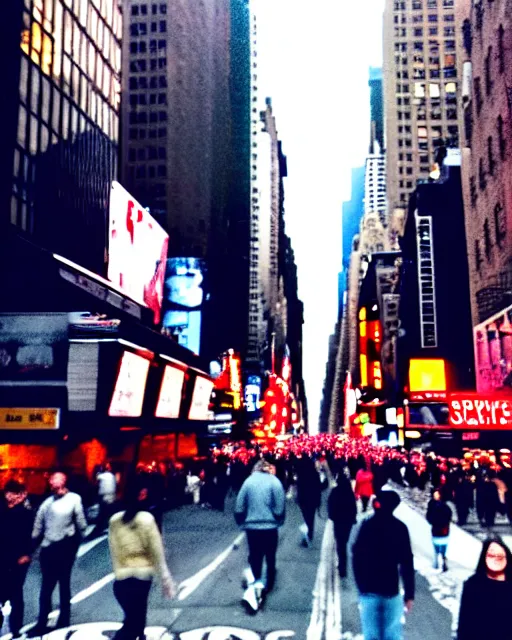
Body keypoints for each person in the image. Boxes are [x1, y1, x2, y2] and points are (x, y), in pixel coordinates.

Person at [109, 483, 177, 640]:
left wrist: (118, 572)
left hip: (121, 580)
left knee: (133, 618)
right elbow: (156, 552)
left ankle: (140, 635)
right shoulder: (146, 519)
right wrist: (166, 579)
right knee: (134, 621)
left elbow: (114, 550)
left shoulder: (115, 520)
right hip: (142, 578)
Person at [352, 490, 415, 640]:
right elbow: (407, 562)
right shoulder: (400, 528)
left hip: (368, 588)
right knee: (392, 635)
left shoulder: (367, 526)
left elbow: (357, 557)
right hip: (391, 589)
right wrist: (409, 594)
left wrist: (360, 584)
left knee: (371, 635)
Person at [31, 472, 88, 635]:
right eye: (52, 485)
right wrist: (33, 545)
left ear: (64, 483)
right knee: (47, 586)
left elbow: (81, 523)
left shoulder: (74, 499)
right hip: (48, 548)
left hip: (65, 546)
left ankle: (64, 619)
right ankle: (42, 621)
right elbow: (37, 526)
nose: (55, 488)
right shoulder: (46, 503)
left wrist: (75, 543)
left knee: (63, 584)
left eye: (57, 484)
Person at [234, 459, 286, 597]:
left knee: (255, 555)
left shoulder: (248, 482)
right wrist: (277, 519)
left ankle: (256, 581)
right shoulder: (275, 482)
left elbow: (239, 506)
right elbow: (280, 508)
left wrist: (242, 521)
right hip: (270, 527)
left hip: (252, 527)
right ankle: (269, 584)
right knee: (270, 556)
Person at [457, 536, 512, 639]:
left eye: (500, 556)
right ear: (484, 558)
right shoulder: (473, 586)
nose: (496, 559)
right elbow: (465, 625)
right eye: (491, 555)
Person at [0, 480, 34, 638]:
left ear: (20, 495)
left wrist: (27, 553)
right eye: (8, 493)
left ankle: (16, 627)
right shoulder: (2, 509)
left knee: (16, 594)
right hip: (2, 558)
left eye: (13, 493)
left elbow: (32, 536)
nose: (10, 496)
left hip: (19, 560)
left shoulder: (26, 513)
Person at [328, 469, 357, 578]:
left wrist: (332, 516)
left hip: (338, 521)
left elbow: (331, 505)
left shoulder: (335, 491)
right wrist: (353, 518)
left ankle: (342, 566)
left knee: (340, 544)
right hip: (347, 521)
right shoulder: (350, 493)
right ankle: (343, 566)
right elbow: (353, 507)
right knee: (344, 542)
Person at [296, 456, 322, 546]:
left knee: (306, 518)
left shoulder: (301, 474)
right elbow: (319, 487)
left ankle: (307, 536)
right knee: (311, 518)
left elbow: (299, 487)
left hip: (303, 499)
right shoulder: (315, 473)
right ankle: (309, 534)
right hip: (313, 499)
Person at [426, 488, 452, 572]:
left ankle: (441, 559)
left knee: (441, 545)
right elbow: (429, 515)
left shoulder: (444, 506)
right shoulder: (433, 504)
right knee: (438, 545)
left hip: (442, 529)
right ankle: (439, 559)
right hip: (437, 528)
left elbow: (448, 516)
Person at [95, 463, 117, 534]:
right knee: (109, 512)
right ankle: (108, 526)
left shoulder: (103, 476)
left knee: (103, 512)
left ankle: (100, 528)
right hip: (112, 496)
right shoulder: (112, 476)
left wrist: (98, 470)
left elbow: (97, 477)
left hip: (104, 497)